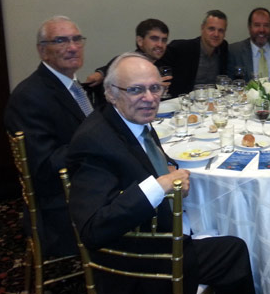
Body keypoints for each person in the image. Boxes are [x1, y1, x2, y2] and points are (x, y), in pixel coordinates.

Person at [66, 53, 255, 294]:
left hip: (153, 230)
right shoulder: (95, 142)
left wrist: (164, 169)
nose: (149, 98)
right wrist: (160, 185)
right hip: (138, 261)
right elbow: (93, 229)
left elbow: (138, 160)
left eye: (155, 88)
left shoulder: (130, 120)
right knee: (234, 249)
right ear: (111, 93)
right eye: (136, 90)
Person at [4, 15, 93, 256]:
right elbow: (44, 167)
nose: (73, 47)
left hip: (81, 182)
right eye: (61, 41)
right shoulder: (29, 97)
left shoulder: (72, 86)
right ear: (43, 51)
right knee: (144, 198)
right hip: (60, 205)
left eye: (76, 39)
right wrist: (97, 139)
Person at [160, 10, 229, 96]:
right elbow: (157, 67)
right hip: (185, 103)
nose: (216, 34)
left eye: (221, 31)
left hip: (213, 103)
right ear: (202, 28)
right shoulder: (182, 48)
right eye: (211, 29)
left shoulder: (223, 47)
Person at [84, 18, 170, 88]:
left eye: (164, 40)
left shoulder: (169, 59)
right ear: (140, 41)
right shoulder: (124, 63)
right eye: (154, 38)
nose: (160, 44)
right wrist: (101, 73)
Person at [227, 7, 270, 81]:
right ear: (249, 27)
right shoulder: (235, 51)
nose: (262, 30)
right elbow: (229, 83)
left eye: (266, 25)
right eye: (257, 25)